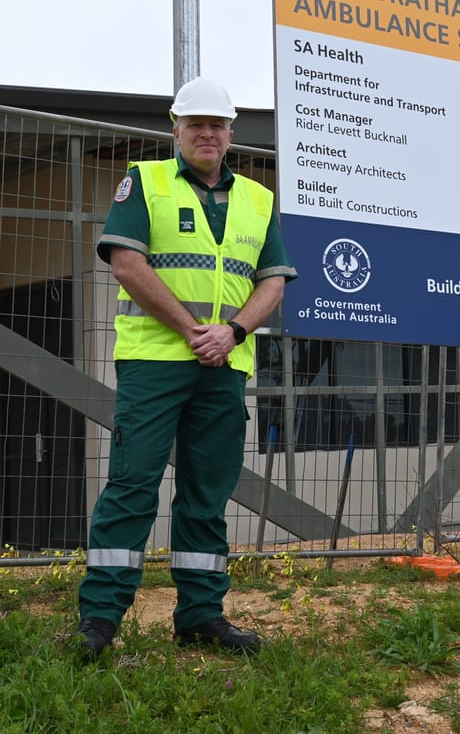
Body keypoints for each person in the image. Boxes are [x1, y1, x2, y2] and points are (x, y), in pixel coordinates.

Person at [72, 77, 298, 657]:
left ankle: (200, 615)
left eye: (216, 125)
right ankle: (99, 620)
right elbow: (126, 264)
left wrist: (235, 331)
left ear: (230, 135)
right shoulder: (143, 182)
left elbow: (273, 279)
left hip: (225, 366)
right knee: (132, 485)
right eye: (194, 123)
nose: (206, 133)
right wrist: (194, 330)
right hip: (155, 361)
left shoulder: (257, 198)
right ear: (175, 129)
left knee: (207, 492)